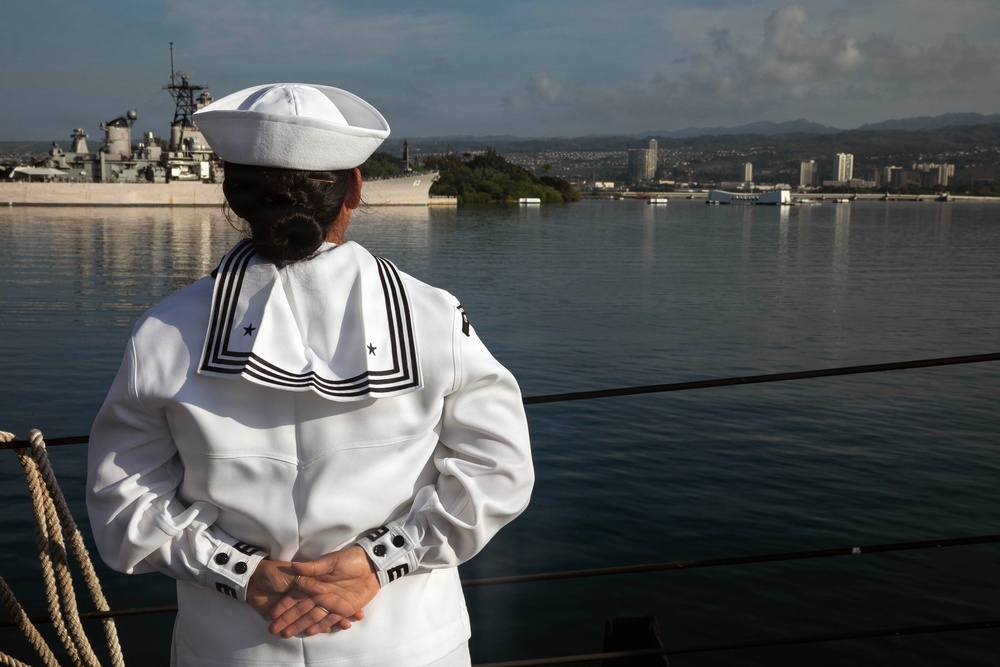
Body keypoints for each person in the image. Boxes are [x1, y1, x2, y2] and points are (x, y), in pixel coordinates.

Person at [87, 83, 534, 667]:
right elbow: (499, 471)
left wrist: (243, 573)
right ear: (355, 189)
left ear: (234, 197)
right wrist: (379, 561)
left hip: (229, 650)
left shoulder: (163, 332)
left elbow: (122, 502)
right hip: (408, 648)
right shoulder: (434, 317)